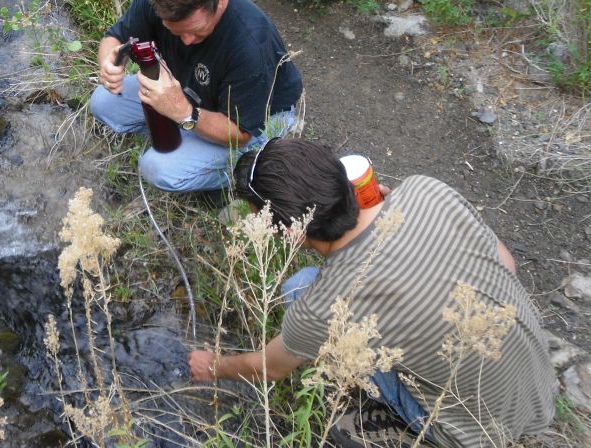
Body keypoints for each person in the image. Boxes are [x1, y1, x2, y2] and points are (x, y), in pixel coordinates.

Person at [188, 138, 556, 448]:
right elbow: (507, 265)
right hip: (540, 388)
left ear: (292, 233)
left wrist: (213, 367)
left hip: (473, 433)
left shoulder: (323, 305)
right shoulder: (424, 190)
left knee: (299, 288)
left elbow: (267, 369)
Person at [91, 0, 303, 195]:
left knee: (157, 169)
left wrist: (183, 113)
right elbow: (115, 37)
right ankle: (188, 139)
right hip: (191, 92)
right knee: (103, 100)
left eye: (196, 31)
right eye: (176, 32)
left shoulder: (250, 45)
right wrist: (109, 62)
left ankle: (245, 168)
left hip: (256, 120)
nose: (187, 41)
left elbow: (240, 133)